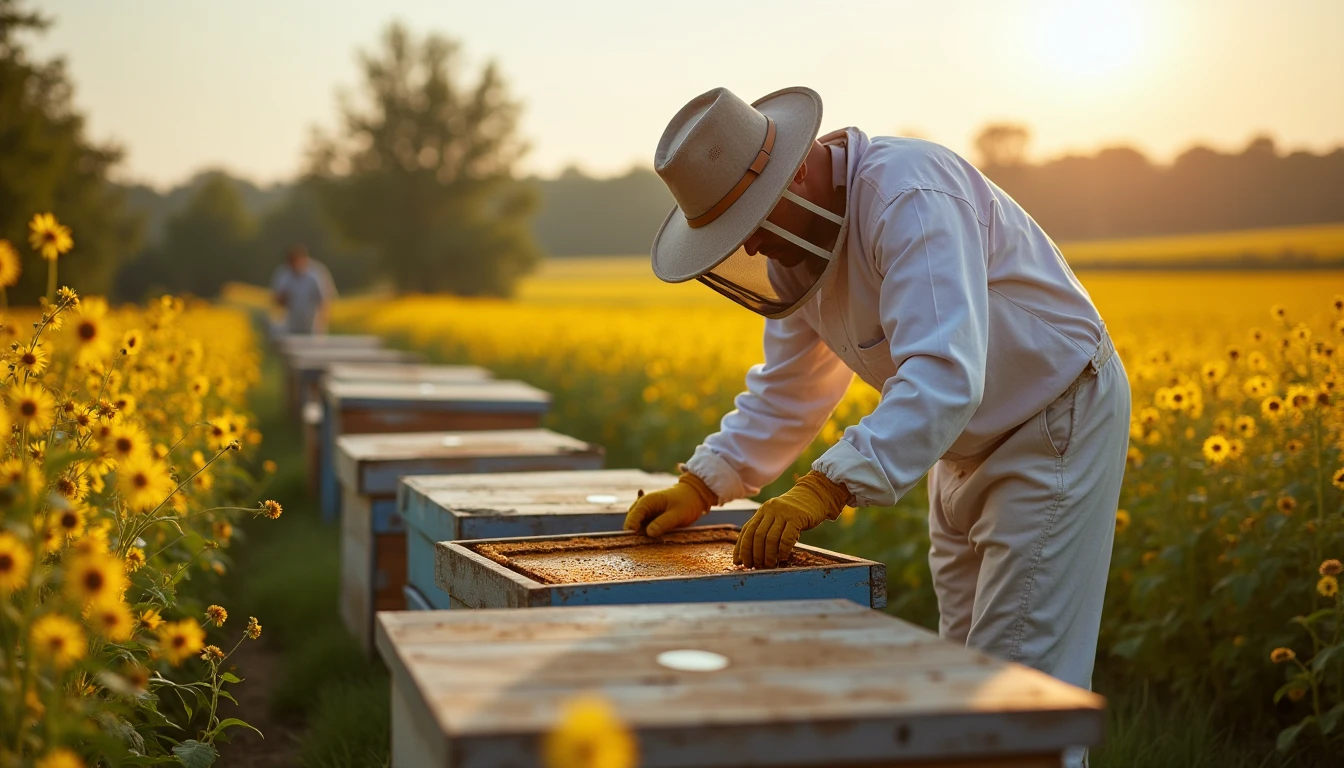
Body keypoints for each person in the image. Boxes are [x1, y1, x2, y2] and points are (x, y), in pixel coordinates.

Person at [623, 87, 1129, 767]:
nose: (750, 242)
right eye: (733, 230)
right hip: (960, 441)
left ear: (795, 171)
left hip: (1053, 419)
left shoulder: (909, 194)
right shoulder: (796, 244)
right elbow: (789, 391)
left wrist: (827, 486)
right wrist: (704, 482)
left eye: (749, 218)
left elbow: (945, 372)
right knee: (963, 666)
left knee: (1020, 684)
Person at [270, 244, 337, 335]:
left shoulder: (316, 274)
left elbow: (325, 300)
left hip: (313, 325)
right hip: (290, 324)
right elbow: (276, 300)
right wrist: (282, 298)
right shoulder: (283, 274)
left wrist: (321, 323)